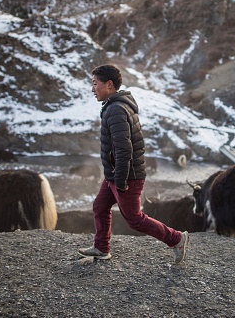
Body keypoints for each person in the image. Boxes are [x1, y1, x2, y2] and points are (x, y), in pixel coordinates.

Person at [78, 64, 189, 264]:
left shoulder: (116, 110)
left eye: (95, 84)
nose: (92, 89)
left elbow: (124, 149)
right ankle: (102, 248)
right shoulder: (115, 106)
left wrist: (120, 180)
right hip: (116, 174)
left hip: (127, 176)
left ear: (109, 84)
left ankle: (176, 239)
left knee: (134, 219)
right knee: (100, 206)